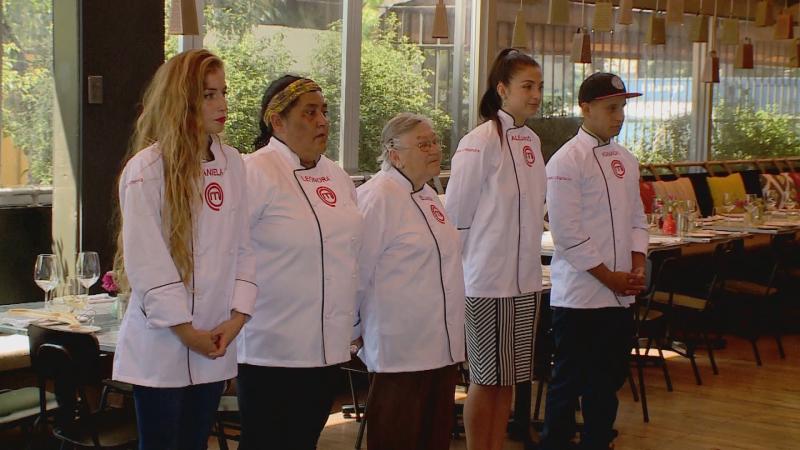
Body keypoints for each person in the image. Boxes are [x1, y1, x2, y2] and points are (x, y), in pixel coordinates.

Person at [112, 49, 257, 450]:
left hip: (215, 340)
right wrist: (186, 331)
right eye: (209, 95)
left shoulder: (233, 164)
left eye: (223, 93)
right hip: (163, 344)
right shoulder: (146, 169)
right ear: (183, 99)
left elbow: (243, 248)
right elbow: (147, 263)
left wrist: (237, 318)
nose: (222, 104)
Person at [237, 75, 363, 450]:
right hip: (271, 346)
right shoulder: (254, 172)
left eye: (324, 111)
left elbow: (351, 255)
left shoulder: (337, 177)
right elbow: (231, 252)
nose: (322, 121)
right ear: (277, 121)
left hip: (327, 345)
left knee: (304, 441)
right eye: (309, 113)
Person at [445, 48, 547, 450]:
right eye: (527, 86)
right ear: (502, 89)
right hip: (486, 281)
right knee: (486, 379)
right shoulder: (480, 141)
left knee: (511, 379)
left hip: (526, 281)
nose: (535, 95)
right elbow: (457, 216)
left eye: (539, 87)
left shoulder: (532, 140)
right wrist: (459, 277)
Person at [540, 72, 648, 450]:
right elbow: (567, 234)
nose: (619, 116)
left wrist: (636, 267)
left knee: (607, 382)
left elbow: (637, 220)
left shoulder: (627, 160)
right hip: (580, 297)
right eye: (611, 108)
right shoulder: (565, 161)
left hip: (620, 295)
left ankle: (598, 442)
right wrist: (610, 277)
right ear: (585, 108)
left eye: (622, 108)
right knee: (568, 382)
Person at [355, 112, 466, 450]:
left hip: (441, 347)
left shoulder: (428, 195)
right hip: (401, 351)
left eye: (435, 142)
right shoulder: (377, 197)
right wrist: (352, 333)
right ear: (394, 154)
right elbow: (356, 272)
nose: (434, 150)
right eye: (423, 144)